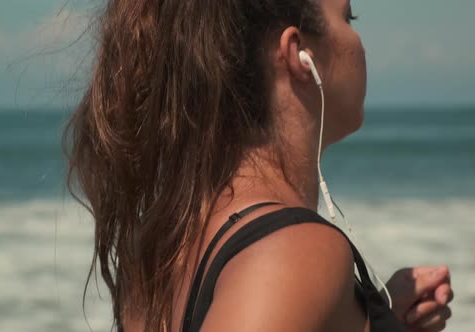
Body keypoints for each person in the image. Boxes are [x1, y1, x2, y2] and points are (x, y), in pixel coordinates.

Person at [65, 0, 453, 331]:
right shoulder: (295, 253)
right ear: (299, 54)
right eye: (349, 18)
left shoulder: (169, 244)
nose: (361, 43)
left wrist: (375, 317)